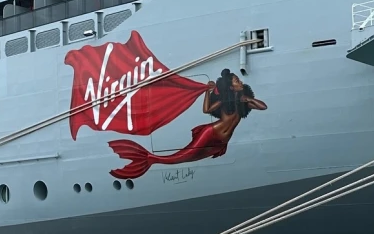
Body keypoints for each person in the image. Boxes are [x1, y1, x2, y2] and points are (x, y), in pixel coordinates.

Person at [109, 68, 267, 179]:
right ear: (231, 86)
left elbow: (263, 106)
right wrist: (207, 91)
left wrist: (248, 99)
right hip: (211, 133)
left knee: (190, 157)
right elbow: (206, 110)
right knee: (186, 156)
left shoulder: (241, 101)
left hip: (222, 141)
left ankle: (150, 159)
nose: (240, 81)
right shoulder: (224, 101)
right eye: (236, 80)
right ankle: (150, 158)